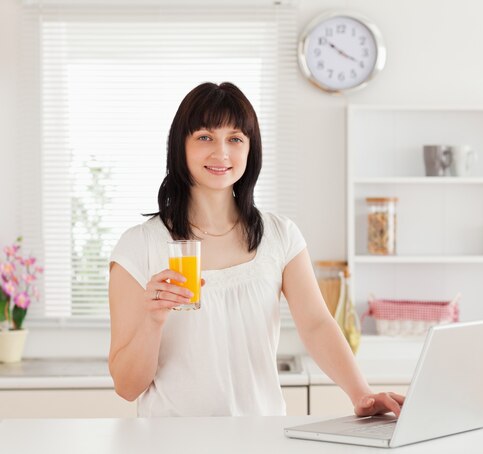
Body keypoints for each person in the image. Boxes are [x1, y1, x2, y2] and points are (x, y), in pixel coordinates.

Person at [108, 82, 404, 417]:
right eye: (205, 136)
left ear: (251, 150)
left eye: (235, 139)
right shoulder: (139, 246)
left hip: (262, 438)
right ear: (181, 146)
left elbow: (317, 324)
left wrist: (361, 394)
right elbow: (127, 387)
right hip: (173, 441)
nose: (221, 152)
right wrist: (153, 320)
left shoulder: (280, 235)